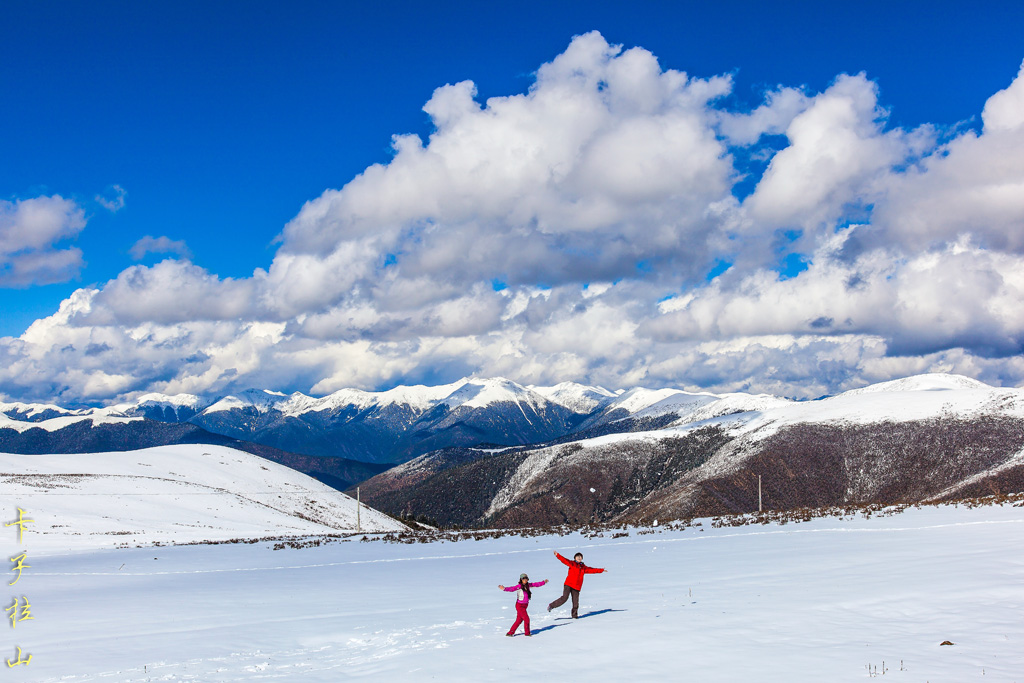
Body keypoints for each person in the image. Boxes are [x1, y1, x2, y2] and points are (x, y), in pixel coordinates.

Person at [547, 550, 606, 618]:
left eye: (580, 557)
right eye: (578, 556)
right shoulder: (572, 564)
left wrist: (601, 570)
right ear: (575, 558)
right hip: (568, 584)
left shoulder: (583, 567)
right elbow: (564, 560)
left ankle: (574, 617)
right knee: (564, 598)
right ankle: (551, 606)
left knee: (575, 603)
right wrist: (558, 555)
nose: (579, 558)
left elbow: (591, 570)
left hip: (576, 587)